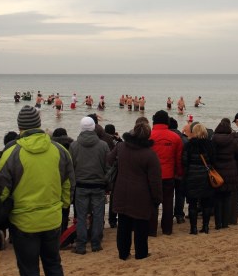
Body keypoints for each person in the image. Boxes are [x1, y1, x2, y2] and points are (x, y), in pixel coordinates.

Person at [0, 106, 73, 276]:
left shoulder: (11, 153)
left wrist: (3, 212)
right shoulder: (59, 150)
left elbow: (1, 190)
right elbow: (68, 182)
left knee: (29, 270)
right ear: (38, 124)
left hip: (23, 221)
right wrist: (64, 206)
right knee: (53, 265)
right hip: (52, 218)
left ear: (19, 127)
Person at [108, 122, 162, 260]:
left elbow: (108, 159)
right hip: (141, 195)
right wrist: (157, 198)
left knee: (123, 224)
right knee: (141, 226)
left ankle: (123, 253)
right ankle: (141, 253)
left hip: (122, 191)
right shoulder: (150, 155)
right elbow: (155, 180)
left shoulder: (121, 147)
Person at [69, 117, 110, 254]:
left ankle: (81, 245)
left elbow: (71, 168)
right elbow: (107, 167)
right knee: (98, 215)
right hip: (98, 185)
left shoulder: (74, 145)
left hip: (81, 185)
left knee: (81, 216)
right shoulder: (103, 145)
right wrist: (106, 182)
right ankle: (96, 243)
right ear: (93, 128)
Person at [149, 110, 184, 236]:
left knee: (153, 202)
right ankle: (167, 229)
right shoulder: (175, 137)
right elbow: (178, 159)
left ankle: (152, 230)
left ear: (154, 121)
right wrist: (179, 173)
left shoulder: (149, 136)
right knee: (168, 202)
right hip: (169, 175)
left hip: (152, 176)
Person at [182, 123, 215, 234]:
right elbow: (213, 161)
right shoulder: (210, 145)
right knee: (206, 203)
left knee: (192, 203)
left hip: (192, 176)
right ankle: (205, 227)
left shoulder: (189, 145)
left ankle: (193, 228)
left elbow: (184, 162)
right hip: (206, 176)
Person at [211, 119, 238, 229]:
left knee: (218, 198)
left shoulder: (214, 138)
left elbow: (211, 153)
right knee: (227, 197)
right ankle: (225, 223)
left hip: (218, 170)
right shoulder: (232, 139)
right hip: (230, 169)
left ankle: (218, 223)